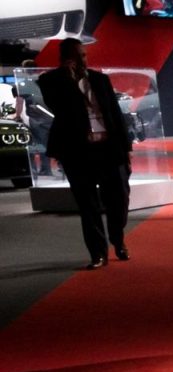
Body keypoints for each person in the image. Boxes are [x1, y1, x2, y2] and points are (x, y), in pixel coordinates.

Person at [37, 38, 134, 269]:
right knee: (88, 205)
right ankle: (98, 254)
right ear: (65, 58)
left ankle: (118, 240)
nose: (82, 60)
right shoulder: (51, 82)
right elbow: (59, 108)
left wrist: (127, 148)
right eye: (77, 56)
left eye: (84, 55)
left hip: (109, 149)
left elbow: (116, 116)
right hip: (77, 152)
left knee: (118, 199)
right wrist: (68, 79)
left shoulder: (101, 80)